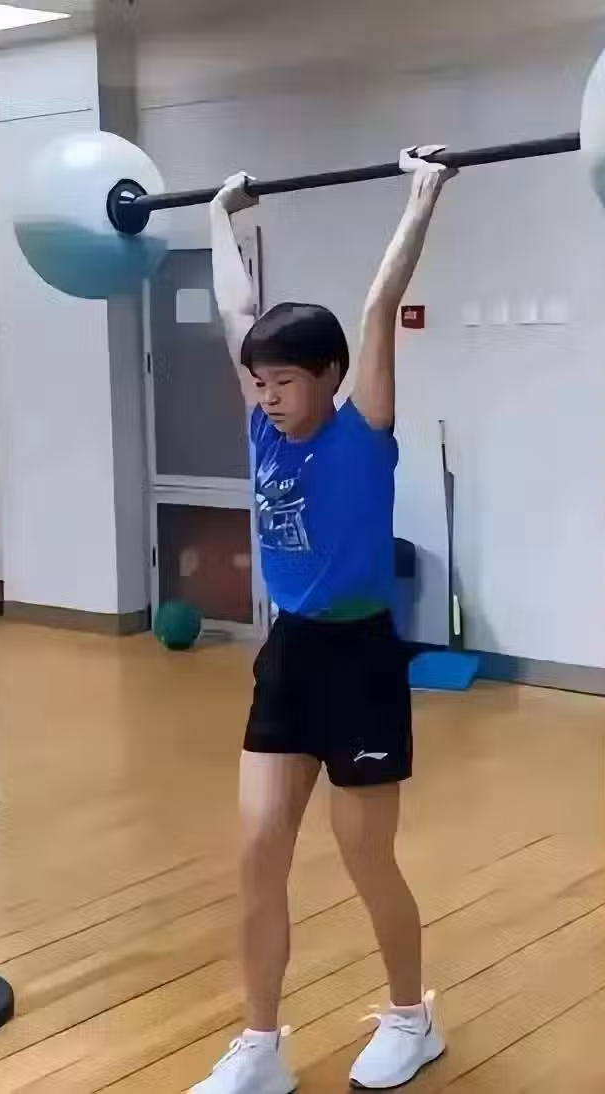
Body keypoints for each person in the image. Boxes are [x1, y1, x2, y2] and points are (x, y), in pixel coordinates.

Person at [194, 146, 456, 1094]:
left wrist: (421, 194)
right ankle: (260, 1045)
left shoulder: (362, 433)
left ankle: (411, 1018)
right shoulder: (264, 427)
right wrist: (218, 216)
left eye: (286, 382)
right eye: (260, 383)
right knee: (258, 852)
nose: (269, 397)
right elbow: (236, 313)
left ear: (331, 375)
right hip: (291, 656)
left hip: (361, 661)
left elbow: (381, 305)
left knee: (364, 854)